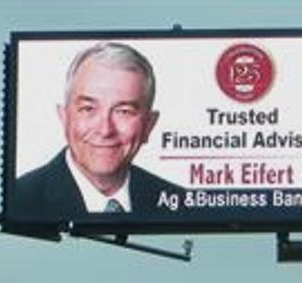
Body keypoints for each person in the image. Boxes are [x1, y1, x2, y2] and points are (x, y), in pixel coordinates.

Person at [10, 41, 180, 221]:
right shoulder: (20, 200)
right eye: (88, 109)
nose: (105, 130)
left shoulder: (177, 203)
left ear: (149, 125)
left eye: (124, 111)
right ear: (64, 117)